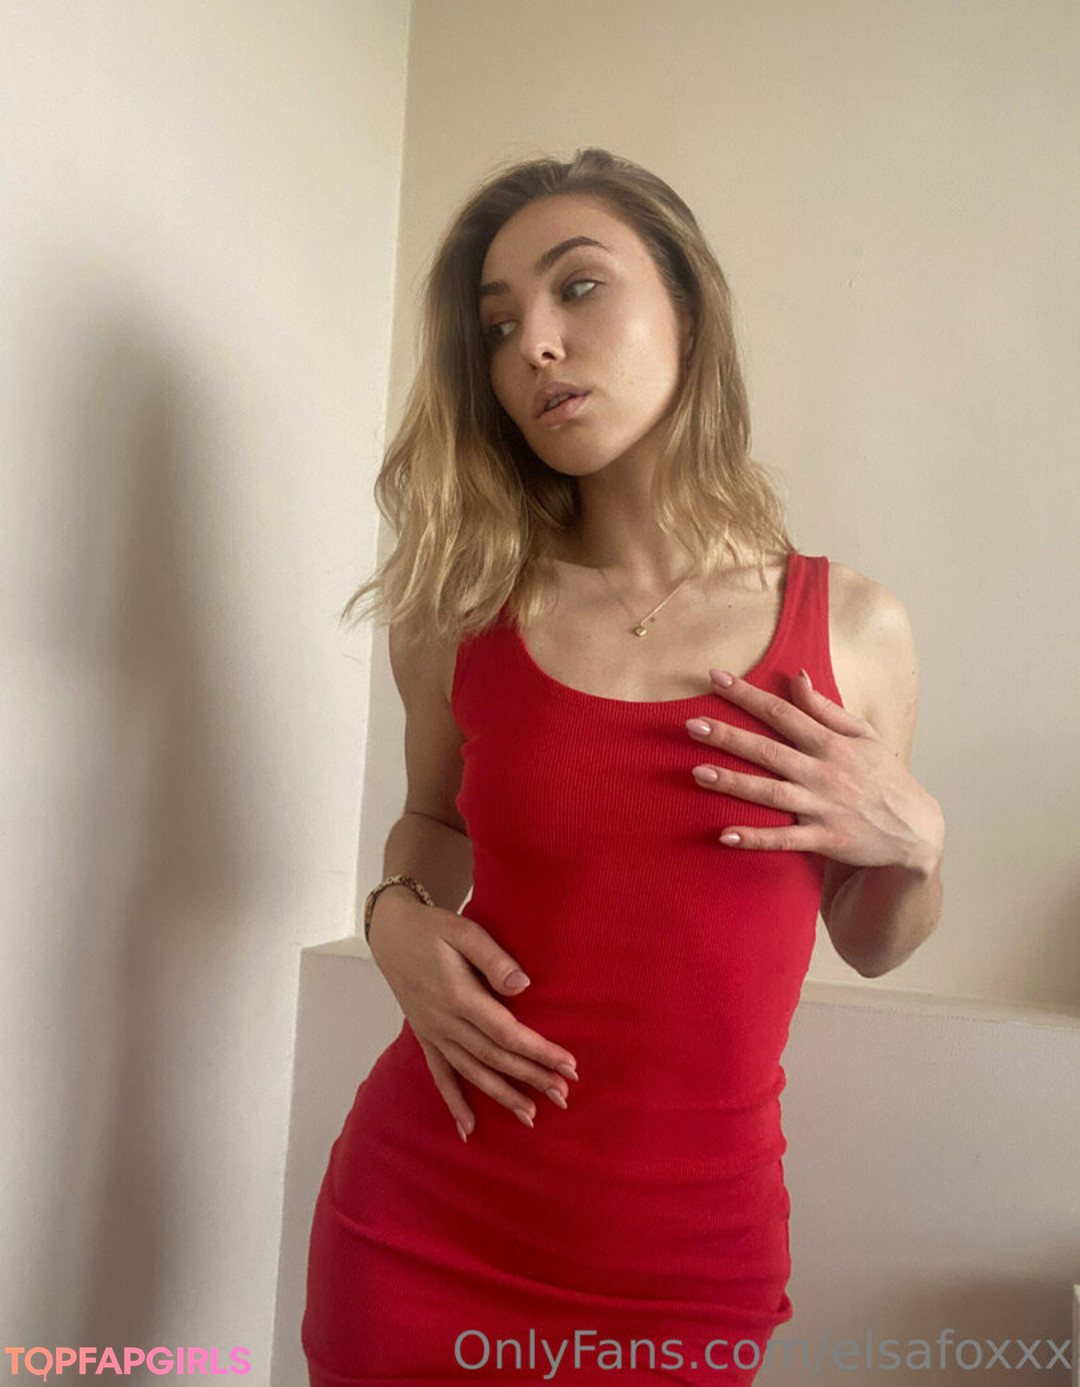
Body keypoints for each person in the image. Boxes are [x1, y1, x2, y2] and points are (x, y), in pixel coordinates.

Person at [301, 148, 945, 1385]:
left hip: (685, 1261)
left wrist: (918, 844)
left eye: (578, 287)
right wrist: (395, 919)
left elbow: (872, 940)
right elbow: (432, 824)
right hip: (425, 1217)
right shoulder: (460, 613)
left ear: (688, 311)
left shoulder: (856, 630)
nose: (534, 344)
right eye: (500, 325)